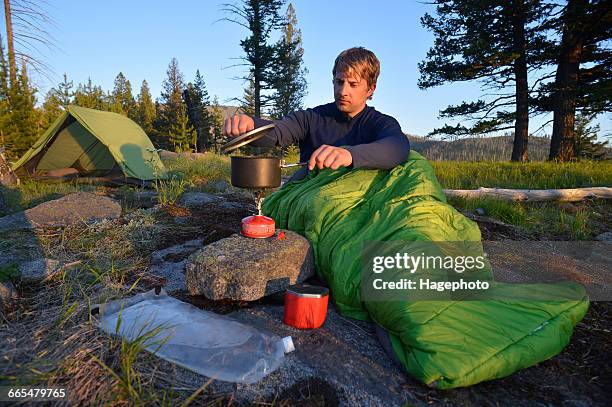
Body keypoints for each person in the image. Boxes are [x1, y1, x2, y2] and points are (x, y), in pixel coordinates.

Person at [224, 47, 410, 180]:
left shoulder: (380, 123)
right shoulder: (311, 118)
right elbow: (278, 132)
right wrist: (250, 125)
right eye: (339, 82)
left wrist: (349, 155)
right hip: (311, 197)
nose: (343, 91)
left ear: (371, 89)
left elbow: (398, 147)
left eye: (353, 84)